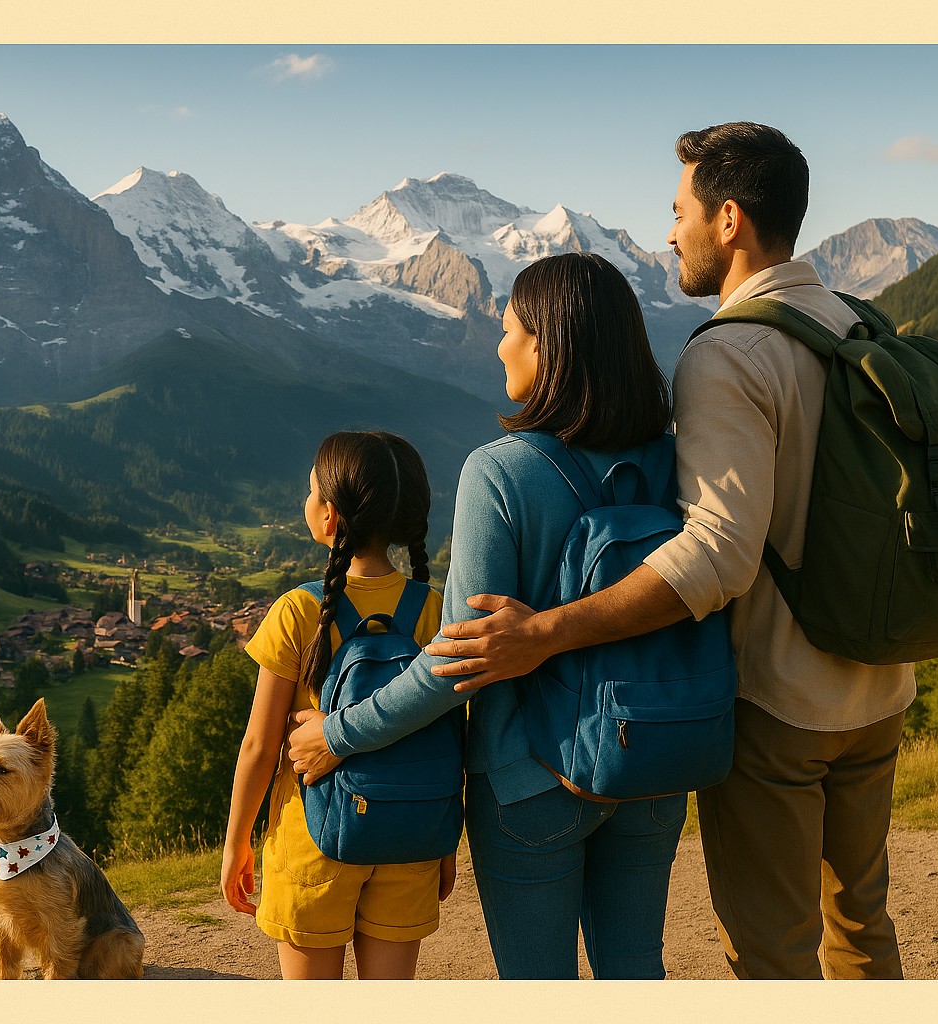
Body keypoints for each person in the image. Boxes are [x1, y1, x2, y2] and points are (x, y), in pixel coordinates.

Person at [405, 123, 916, 980]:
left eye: (677, 210)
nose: (666, 230)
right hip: (879, 682)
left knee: (773, 952)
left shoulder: (729, 353)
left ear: (727, 219)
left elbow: (717, 554)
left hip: (776, 699)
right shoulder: (860, 324)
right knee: (861, 924)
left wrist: (546, 634)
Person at [288, 252, 685, 979]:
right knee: (636, 972)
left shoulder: (500, 471)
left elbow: (457, 661)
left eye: (508, 328)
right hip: (652, 760)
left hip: (530, 778)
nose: (498, 344)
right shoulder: (673, 460)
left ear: (546, 344)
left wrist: (337, 736)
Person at [220, 430, 457, 980]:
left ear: (329, 516)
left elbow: (258, 745)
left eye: (310, 490)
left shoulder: (297, 612)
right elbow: (450, 735)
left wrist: (236, 844)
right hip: (411, 838)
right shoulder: (434, 610)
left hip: (313, 841)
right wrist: (444, 841)